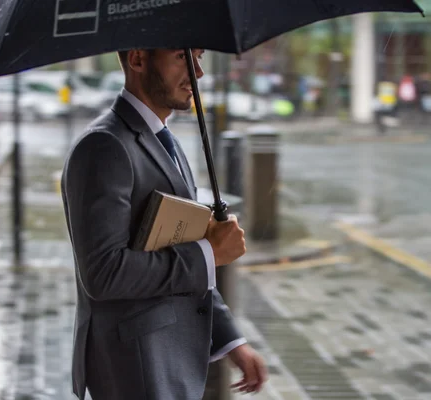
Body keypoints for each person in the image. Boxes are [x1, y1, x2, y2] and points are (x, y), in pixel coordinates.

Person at [61, 48, 268, 400]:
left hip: (168, 364)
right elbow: (103, 273)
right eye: (181, 57)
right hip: (136, 369)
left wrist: (233, 341)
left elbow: (179, 251)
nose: (197, 72)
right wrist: (209, 252)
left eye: (198, 58)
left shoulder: (164, 142)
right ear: (139, 59)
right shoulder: (104, 146)